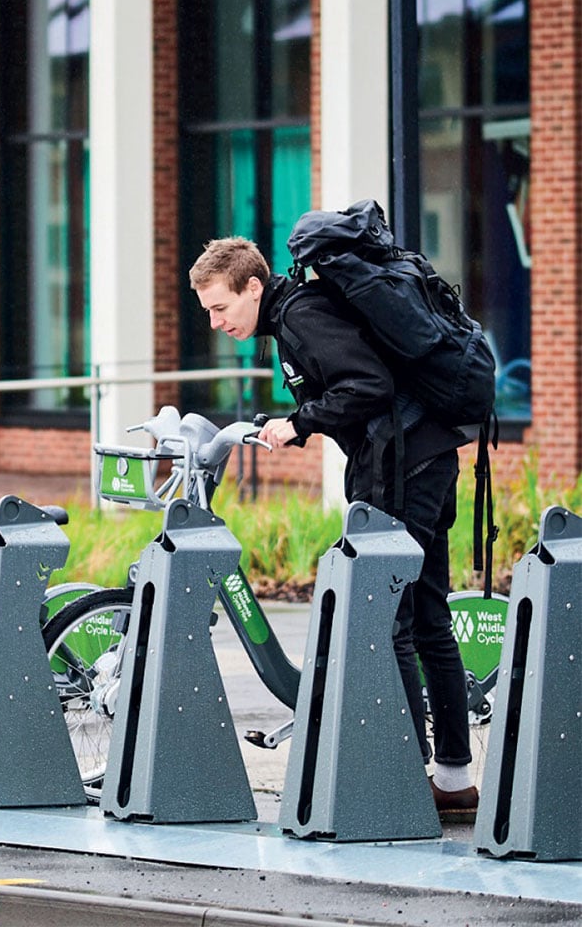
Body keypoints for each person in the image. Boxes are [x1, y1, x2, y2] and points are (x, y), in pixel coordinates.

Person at [188, 234, 478, 823]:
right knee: (427, 617)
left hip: (400, 467)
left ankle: (406, 771)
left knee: (390, 616)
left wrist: (301, 424)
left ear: (253, 287)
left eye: (221, 307)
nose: (217, 323)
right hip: (426, 459)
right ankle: (452, 780)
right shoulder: (299, 314)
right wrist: (300, 421)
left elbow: (367, 387)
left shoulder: (300, 317)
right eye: (208, 313)